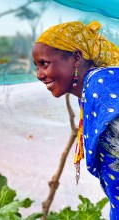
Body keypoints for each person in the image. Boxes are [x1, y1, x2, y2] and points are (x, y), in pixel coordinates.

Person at [32, 20, 119, 219]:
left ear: (76, 57)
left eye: (44, 64)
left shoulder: (102, 86)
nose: (39, 75)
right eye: (36, 67)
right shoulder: (89, 92)